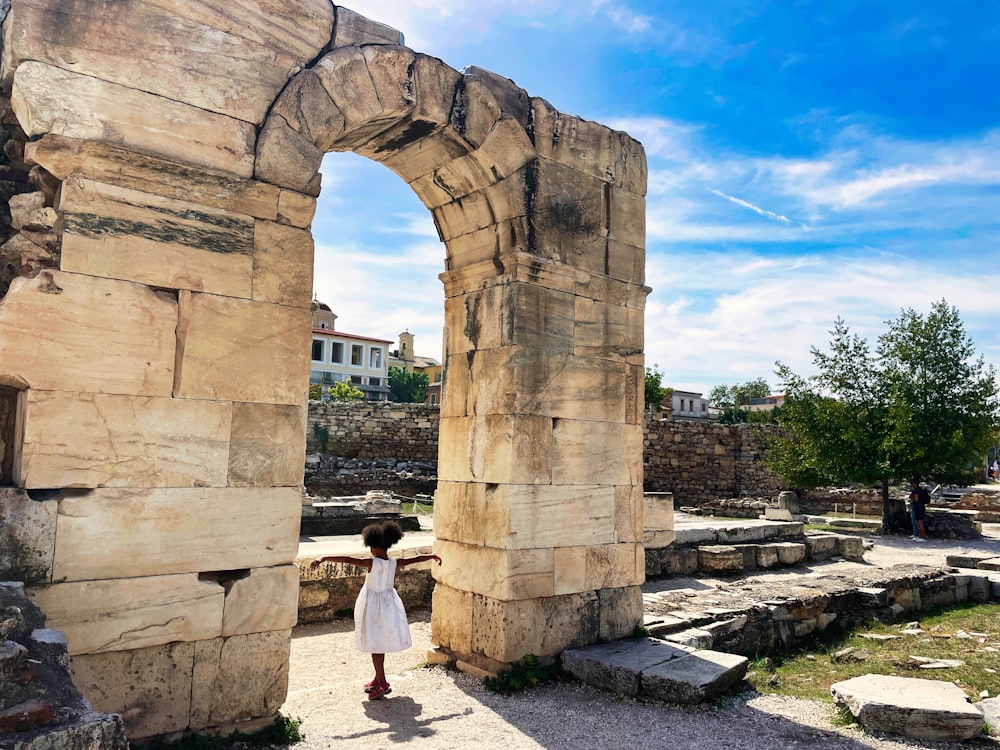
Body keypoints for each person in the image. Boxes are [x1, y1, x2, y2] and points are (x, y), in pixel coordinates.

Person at [309, 520, 441, 700]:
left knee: (375, 644)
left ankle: (383, 682)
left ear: (372, 547)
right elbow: (415, 559)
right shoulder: (395, 562)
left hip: (373, 608)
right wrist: (432, 556)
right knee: (379, 643)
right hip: (389, 606)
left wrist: (323, 558)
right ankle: (377, 678)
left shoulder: (371, 563)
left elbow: (348, 560)